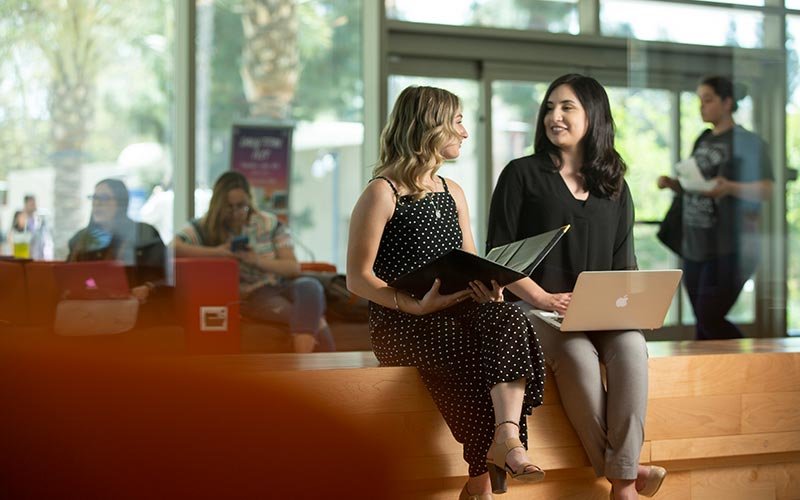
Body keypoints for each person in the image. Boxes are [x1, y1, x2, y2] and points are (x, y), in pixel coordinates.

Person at [347, 85, 547, 500]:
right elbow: (358, 278)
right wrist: (416, 307)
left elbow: (471, 261)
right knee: (474, 360)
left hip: (456, 312)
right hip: (402, 322)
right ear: (429, 126)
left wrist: (487, 290)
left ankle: (507, 439)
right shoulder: (382, 192)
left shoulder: (453, 191)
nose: (464, 132)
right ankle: (481, 481)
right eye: (457, 121)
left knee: (510, 316)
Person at [487, 74, 666, 500]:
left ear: (594, 115)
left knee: (631, 349)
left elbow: (624, 264)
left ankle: (622, 473)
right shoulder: (521, 175)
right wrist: (544, 298)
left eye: (567, 107)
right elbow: (497, 256)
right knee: (578, 358)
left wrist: (636, 309)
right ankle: (624, 482)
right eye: (550, 108)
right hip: (534, 309)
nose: (555, 116)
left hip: (598, 310)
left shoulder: (615, 184)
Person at [657, 75, 773, 340]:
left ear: (727, 102)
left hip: (728, 247)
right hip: (695, 245)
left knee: (710, 318)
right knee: (702, 322)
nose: (702, 107)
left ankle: (758, 363)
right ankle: (711, 379)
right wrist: (675, 184)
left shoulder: (747, 142)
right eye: (700, 100)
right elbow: (698, 184)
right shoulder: (703, 138)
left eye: (708, 100)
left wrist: (730, 187)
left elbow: (768, 189)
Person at [173, 171, 335, 353]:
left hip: (282, 284)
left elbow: (292, 268)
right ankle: (308, 361)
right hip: (254, 294)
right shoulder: (203, 227)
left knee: (310, 285)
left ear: (249, 201)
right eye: (229, 207)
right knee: (315, 319)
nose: (236, 213)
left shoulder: (269, 223)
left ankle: (303, 360)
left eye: (241, 206)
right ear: (218, 205)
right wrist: (217, 252)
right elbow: (172, 247)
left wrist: (255, 260)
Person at [67, 179, 172, 327]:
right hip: (90, 314)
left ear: (121, 203)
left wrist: (148, 288)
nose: (97, 203)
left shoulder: (144, 234)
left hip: (138, 314)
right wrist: (89, 287)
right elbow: (72, 278)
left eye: (104, 198)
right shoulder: (81, 240)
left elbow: (168, 278)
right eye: (94, 198)